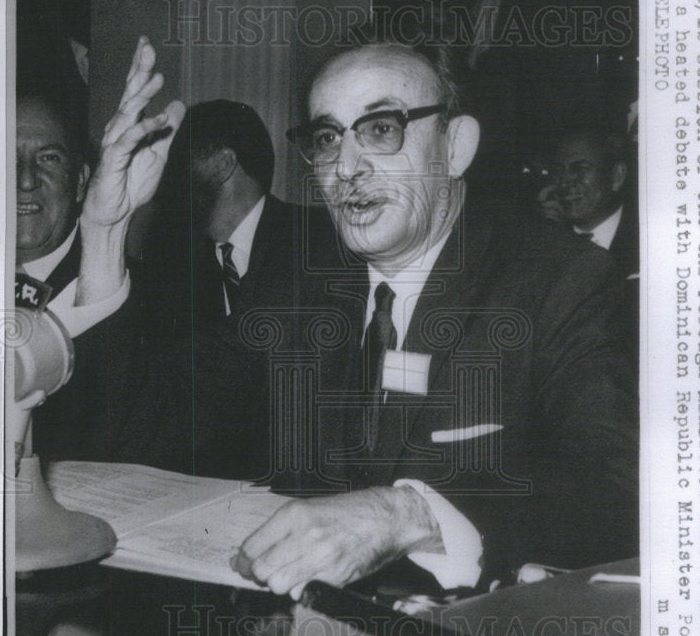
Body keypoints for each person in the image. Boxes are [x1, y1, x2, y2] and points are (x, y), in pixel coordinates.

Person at [72, 36, 638, 599]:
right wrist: (104, 229)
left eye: (381, 128)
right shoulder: (299, 283)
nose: (345, 166)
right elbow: (137, 427)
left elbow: (620, 492)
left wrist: (410, 514)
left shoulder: (560, 281)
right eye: (326, 137)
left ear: (456, 147)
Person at [147, 99, 297, 329]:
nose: (161, 176)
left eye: (177, 160)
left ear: (223, 164)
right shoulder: (174, 272)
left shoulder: (316, 241)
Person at [538, 125, 639, 279]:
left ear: (616, 176)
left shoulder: (649, 243)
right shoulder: (540, 244)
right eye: (557, 170)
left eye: (580, 168)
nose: (564, 181)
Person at [16, 93, 90, 296]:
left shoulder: (131, 294)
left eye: (48, 158)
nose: (26, 182)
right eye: (5, 157)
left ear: (80, 181)